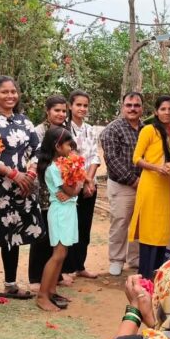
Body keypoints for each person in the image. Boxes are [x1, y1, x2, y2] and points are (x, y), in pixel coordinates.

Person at [0, 76, 43, 300]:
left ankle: (10, 284)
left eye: (13, 92)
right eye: (4, 92)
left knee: (13, 234)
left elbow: (37, 149)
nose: (10, 96)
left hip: (22, 187)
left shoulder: (24, 121)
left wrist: (30, 175)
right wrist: (12, 174)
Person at [129, 95, 170, 280]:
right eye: (163, 109)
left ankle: (157, 276)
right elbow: (136, 159)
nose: (167, 112)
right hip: (150, 185)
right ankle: (144, 276)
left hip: (166, 187)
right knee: (150, 231)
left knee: (161, 231)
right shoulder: (148, 130)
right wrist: (157, 167)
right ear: (156, 112)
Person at [36, 127, 82, 312]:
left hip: (68, 210)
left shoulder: (63, 164)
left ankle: (52, 290)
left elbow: (70, 193)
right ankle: (42, 296)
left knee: (62, 254)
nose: (71, 147)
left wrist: (73, 190)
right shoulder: (53, 168)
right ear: (57, 146)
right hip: (60, 213)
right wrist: (78, 185)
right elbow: (71, 191)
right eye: (68, 144)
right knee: (58, 254)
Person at [28, 95, 72, 291]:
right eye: (57, 110)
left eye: (64, 111)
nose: (61, 114)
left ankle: (55, 278)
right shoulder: (38, 131)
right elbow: (34, 159)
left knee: (56, 237)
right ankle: (37, 277)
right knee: (43, 236)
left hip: (60, 192)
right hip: (44, 189)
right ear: (47, 111)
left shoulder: (65, 131)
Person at [100, 92, 144, 276]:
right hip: (122, 185)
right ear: (122, 107)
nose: (132, 108)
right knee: (120, 222)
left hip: (145, 185)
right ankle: (116, 260)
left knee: (139, 223)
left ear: (142, 108)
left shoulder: (146, 129)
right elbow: (111, 159)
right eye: (129, 105)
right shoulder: (112, 129)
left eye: (136, 105)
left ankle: (135, 259)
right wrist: (134, 181)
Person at [63, 90, 101, 279]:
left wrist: (90, 180)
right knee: (69, 226)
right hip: (69, 185)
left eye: (85, 105)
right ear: (70, 106)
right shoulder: (63, 129)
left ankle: (80, 266)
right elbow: (70, 158)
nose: (82, 108)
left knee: (84, 227)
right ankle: (66, 269)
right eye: (78, 105)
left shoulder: (91, 129)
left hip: (88, 185)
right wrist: (84, 180)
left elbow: (94, 156)